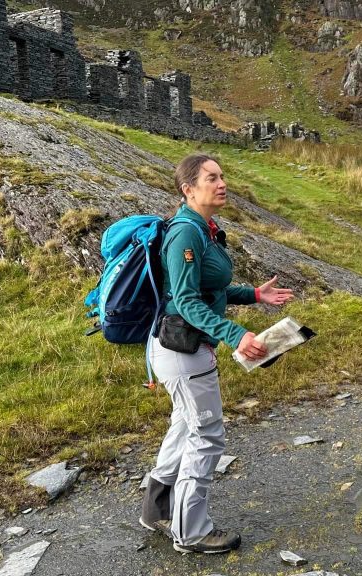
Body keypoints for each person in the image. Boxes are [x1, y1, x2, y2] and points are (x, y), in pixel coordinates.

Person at [139, 153, 294, 554]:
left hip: (185, 349)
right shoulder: (185, 234)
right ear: (188, 189)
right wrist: (235, 334)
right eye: (212, 178)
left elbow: (213, 290)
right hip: (182, 350)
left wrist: (255, 294)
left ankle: (155, 509)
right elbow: (187, 300)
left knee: (183, 425)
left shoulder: (206, 228)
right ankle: (190, 532)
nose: (222, 183)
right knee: (206, 435)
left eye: (222, 176)